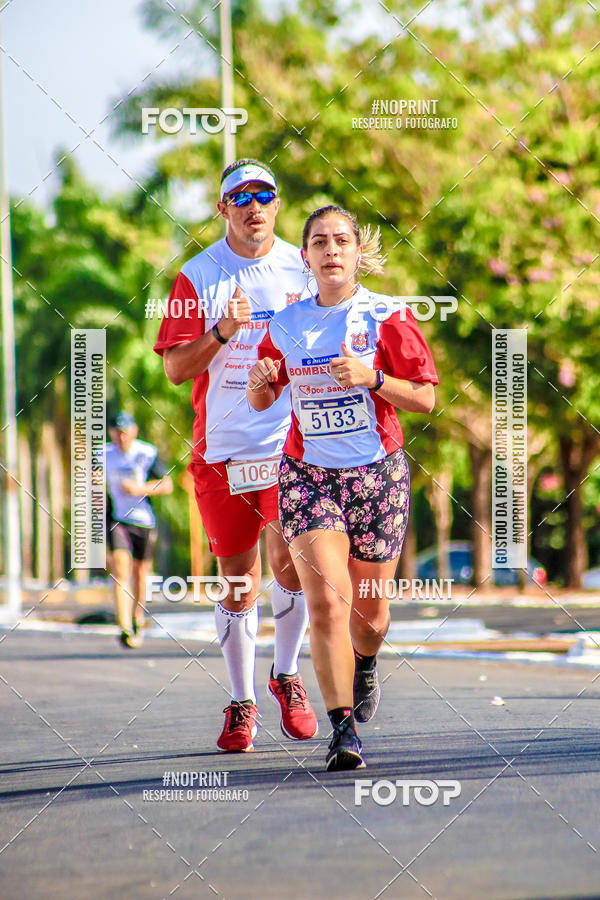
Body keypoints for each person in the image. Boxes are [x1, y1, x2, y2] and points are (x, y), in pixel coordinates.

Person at [247, 205, 439, 770]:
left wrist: (373, 378)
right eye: (318, 242)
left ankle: (367, 662)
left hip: (377, 474)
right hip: (308, 475)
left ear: (359, 252)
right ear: (305, 256)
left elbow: (426, 398)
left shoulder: (388, 315)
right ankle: (343, 729)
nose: (331, 250)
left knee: (370, 615)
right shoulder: (286, 324)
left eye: (341, 241)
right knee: (327, 602)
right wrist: (261, 385)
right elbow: (263, 397)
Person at [154, 159, 318, 752]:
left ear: (277, 204)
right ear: (223, 208)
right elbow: (174, 368)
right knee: (239, 584)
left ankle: (288, 674)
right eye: (240, 197)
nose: (254, 207)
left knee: (291, 565)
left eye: (264, 195)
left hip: (289, 445)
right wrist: (222, 331)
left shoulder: (303, 267)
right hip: (222, 451)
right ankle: (242, 701)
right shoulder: (197, 277)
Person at [106, 411, 173, 648]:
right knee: (120, 567)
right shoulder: (103, 455)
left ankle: (136, 616)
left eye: (125, 432)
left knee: (140, 573)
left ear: (134, 431)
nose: (121, 437)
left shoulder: (147, 453)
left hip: (144, 520)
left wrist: (139, 488)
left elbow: (167, 484)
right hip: (117, 519)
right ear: (111, 432)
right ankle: (123, 626)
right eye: (117, 432)